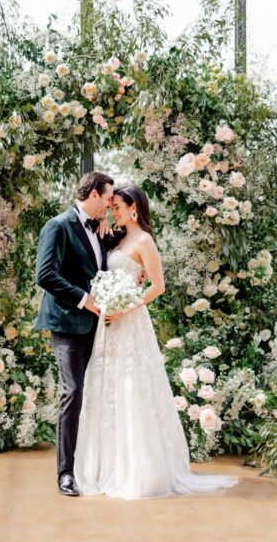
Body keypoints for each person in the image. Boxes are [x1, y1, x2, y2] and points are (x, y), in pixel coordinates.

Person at [73, 186, 238, 499]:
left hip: (130, 321)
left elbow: (157, 286)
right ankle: (103, 466)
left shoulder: (144, 240)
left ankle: (140, 471)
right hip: (108, 325)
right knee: (106, 389)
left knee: (131, 388)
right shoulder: (116, 238)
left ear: (134, 207)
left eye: (118, 207)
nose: (113, 212)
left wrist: (126, 305)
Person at [34, 171, 114, 496]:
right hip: (67, 323)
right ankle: (65, 473)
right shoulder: (57, 226)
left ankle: (95, 464)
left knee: (97, 393)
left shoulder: (101, 231)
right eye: (108, 198)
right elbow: (45, 274)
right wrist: (85, 300)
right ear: (93, 194)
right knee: (74, 391)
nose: (111, 204)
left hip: (99, 327)